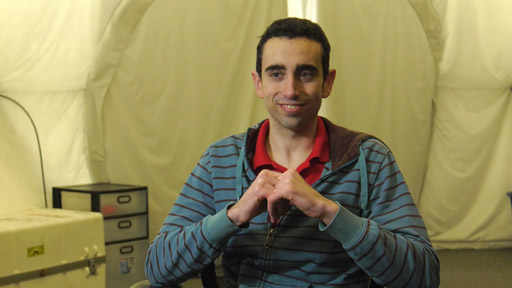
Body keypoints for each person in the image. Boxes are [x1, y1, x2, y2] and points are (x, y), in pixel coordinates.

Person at [145, 17, 440, 287]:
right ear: (258, 83)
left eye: (306, 74)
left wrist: (327, 210)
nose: (290, 89)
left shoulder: (369, 160)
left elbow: (423, 275)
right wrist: (235, 215)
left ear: (328, 83)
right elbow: (158, 268)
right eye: (276, 73)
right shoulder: (220, 159)